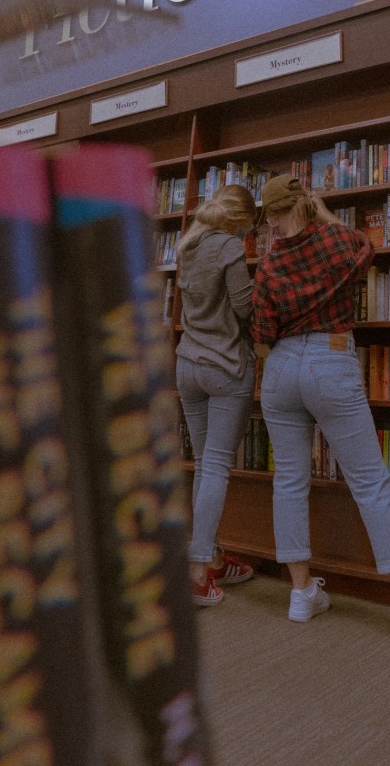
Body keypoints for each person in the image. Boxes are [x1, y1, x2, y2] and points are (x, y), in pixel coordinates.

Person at [251, 174, 390, 640]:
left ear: (270, 218)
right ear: (305, 203)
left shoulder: (269, 263)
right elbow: (364, 250)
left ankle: (301, 592)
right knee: (370, 484)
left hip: (280, 369)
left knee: (288, 482)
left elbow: (262, 331)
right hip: (330, 358)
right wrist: (324, 211)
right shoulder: (333, 240)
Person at [175, 184, 258, 606]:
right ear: (238, 220)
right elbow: (245, 308)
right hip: (224, 365)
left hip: (187, 363)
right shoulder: (229, 247)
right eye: (250, 228)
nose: (249, 235)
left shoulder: (187, 244)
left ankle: (212, 557)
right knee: (217, 466)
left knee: (205, 465)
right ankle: (197, 571)